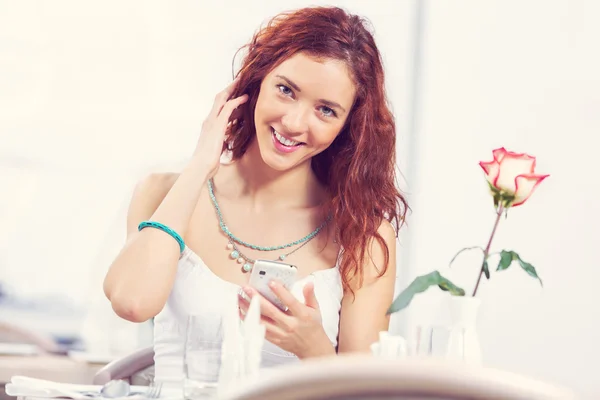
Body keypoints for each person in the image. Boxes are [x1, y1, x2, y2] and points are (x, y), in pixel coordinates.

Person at [103, 6, 408, 386]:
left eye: (326, 110)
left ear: (349, 127)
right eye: (286, 90)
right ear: (255, 82)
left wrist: (313, 348)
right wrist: (201, 164)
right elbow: (132, 302)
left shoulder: (363, 233)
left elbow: (366, 394)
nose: (295, 123)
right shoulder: (164, 191)